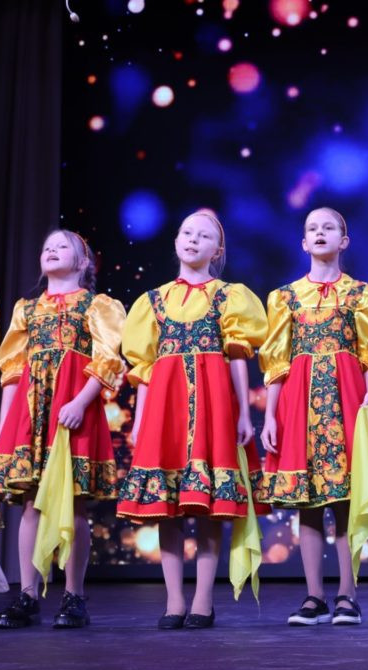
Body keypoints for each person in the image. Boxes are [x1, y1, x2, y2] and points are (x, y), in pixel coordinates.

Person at [117, 211, 268, 629]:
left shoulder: (228, 297)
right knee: (166, 506)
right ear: (176, 241)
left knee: (207, 505)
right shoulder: (153, 301)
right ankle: (173, 600)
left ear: (217, 251)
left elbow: (237, 357)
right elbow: (144, 369)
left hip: (213, 405)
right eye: (187, 232)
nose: (193, 240)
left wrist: (242, 412)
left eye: (204, 236)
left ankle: (203, 599)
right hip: (165, 408)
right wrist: (140, 421)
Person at [258, 207, 368, 626]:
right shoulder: (284, 297)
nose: (320, 233)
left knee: (347, 498)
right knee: (309, 503)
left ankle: (348, 594)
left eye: (329, 227)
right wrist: (270, 416)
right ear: (304, 243)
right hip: (299, 402)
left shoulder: (361, 294)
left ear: (343, 240)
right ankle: (314, 596)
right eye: (312, 229)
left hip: (347, 399)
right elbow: (277, 362)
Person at [0, 230, 125, 629]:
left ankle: (74, 595)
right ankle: (28, 594)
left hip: (74, 405)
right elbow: (12, 369)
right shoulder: (27, 309)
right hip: (31, 411)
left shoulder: (97, 305)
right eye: (47, 246)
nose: (52, 250)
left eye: (63, 246)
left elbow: (107, 358)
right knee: (31, 502)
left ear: (84, 262)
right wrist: (5, 420)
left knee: (74, 501)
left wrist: (80, 402)